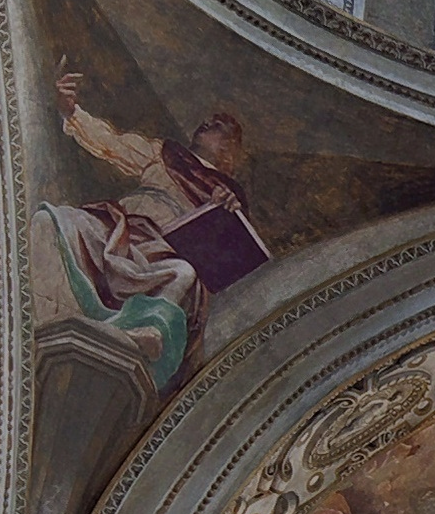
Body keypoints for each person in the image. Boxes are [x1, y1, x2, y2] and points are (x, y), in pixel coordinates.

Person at [44, 65, 270, 390]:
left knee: (183, 273)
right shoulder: (165, 155)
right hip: (124, 232)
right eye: (209, 121)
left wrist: (226, 211)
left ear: (228, 151)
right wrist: (72, 113)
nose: (207, 123)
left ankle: (151, 331)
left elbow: (231, 259)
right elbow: (113, 144)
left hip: (164, 256)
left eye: (218, 127)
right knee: (62, 220)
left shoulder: (226, 194)